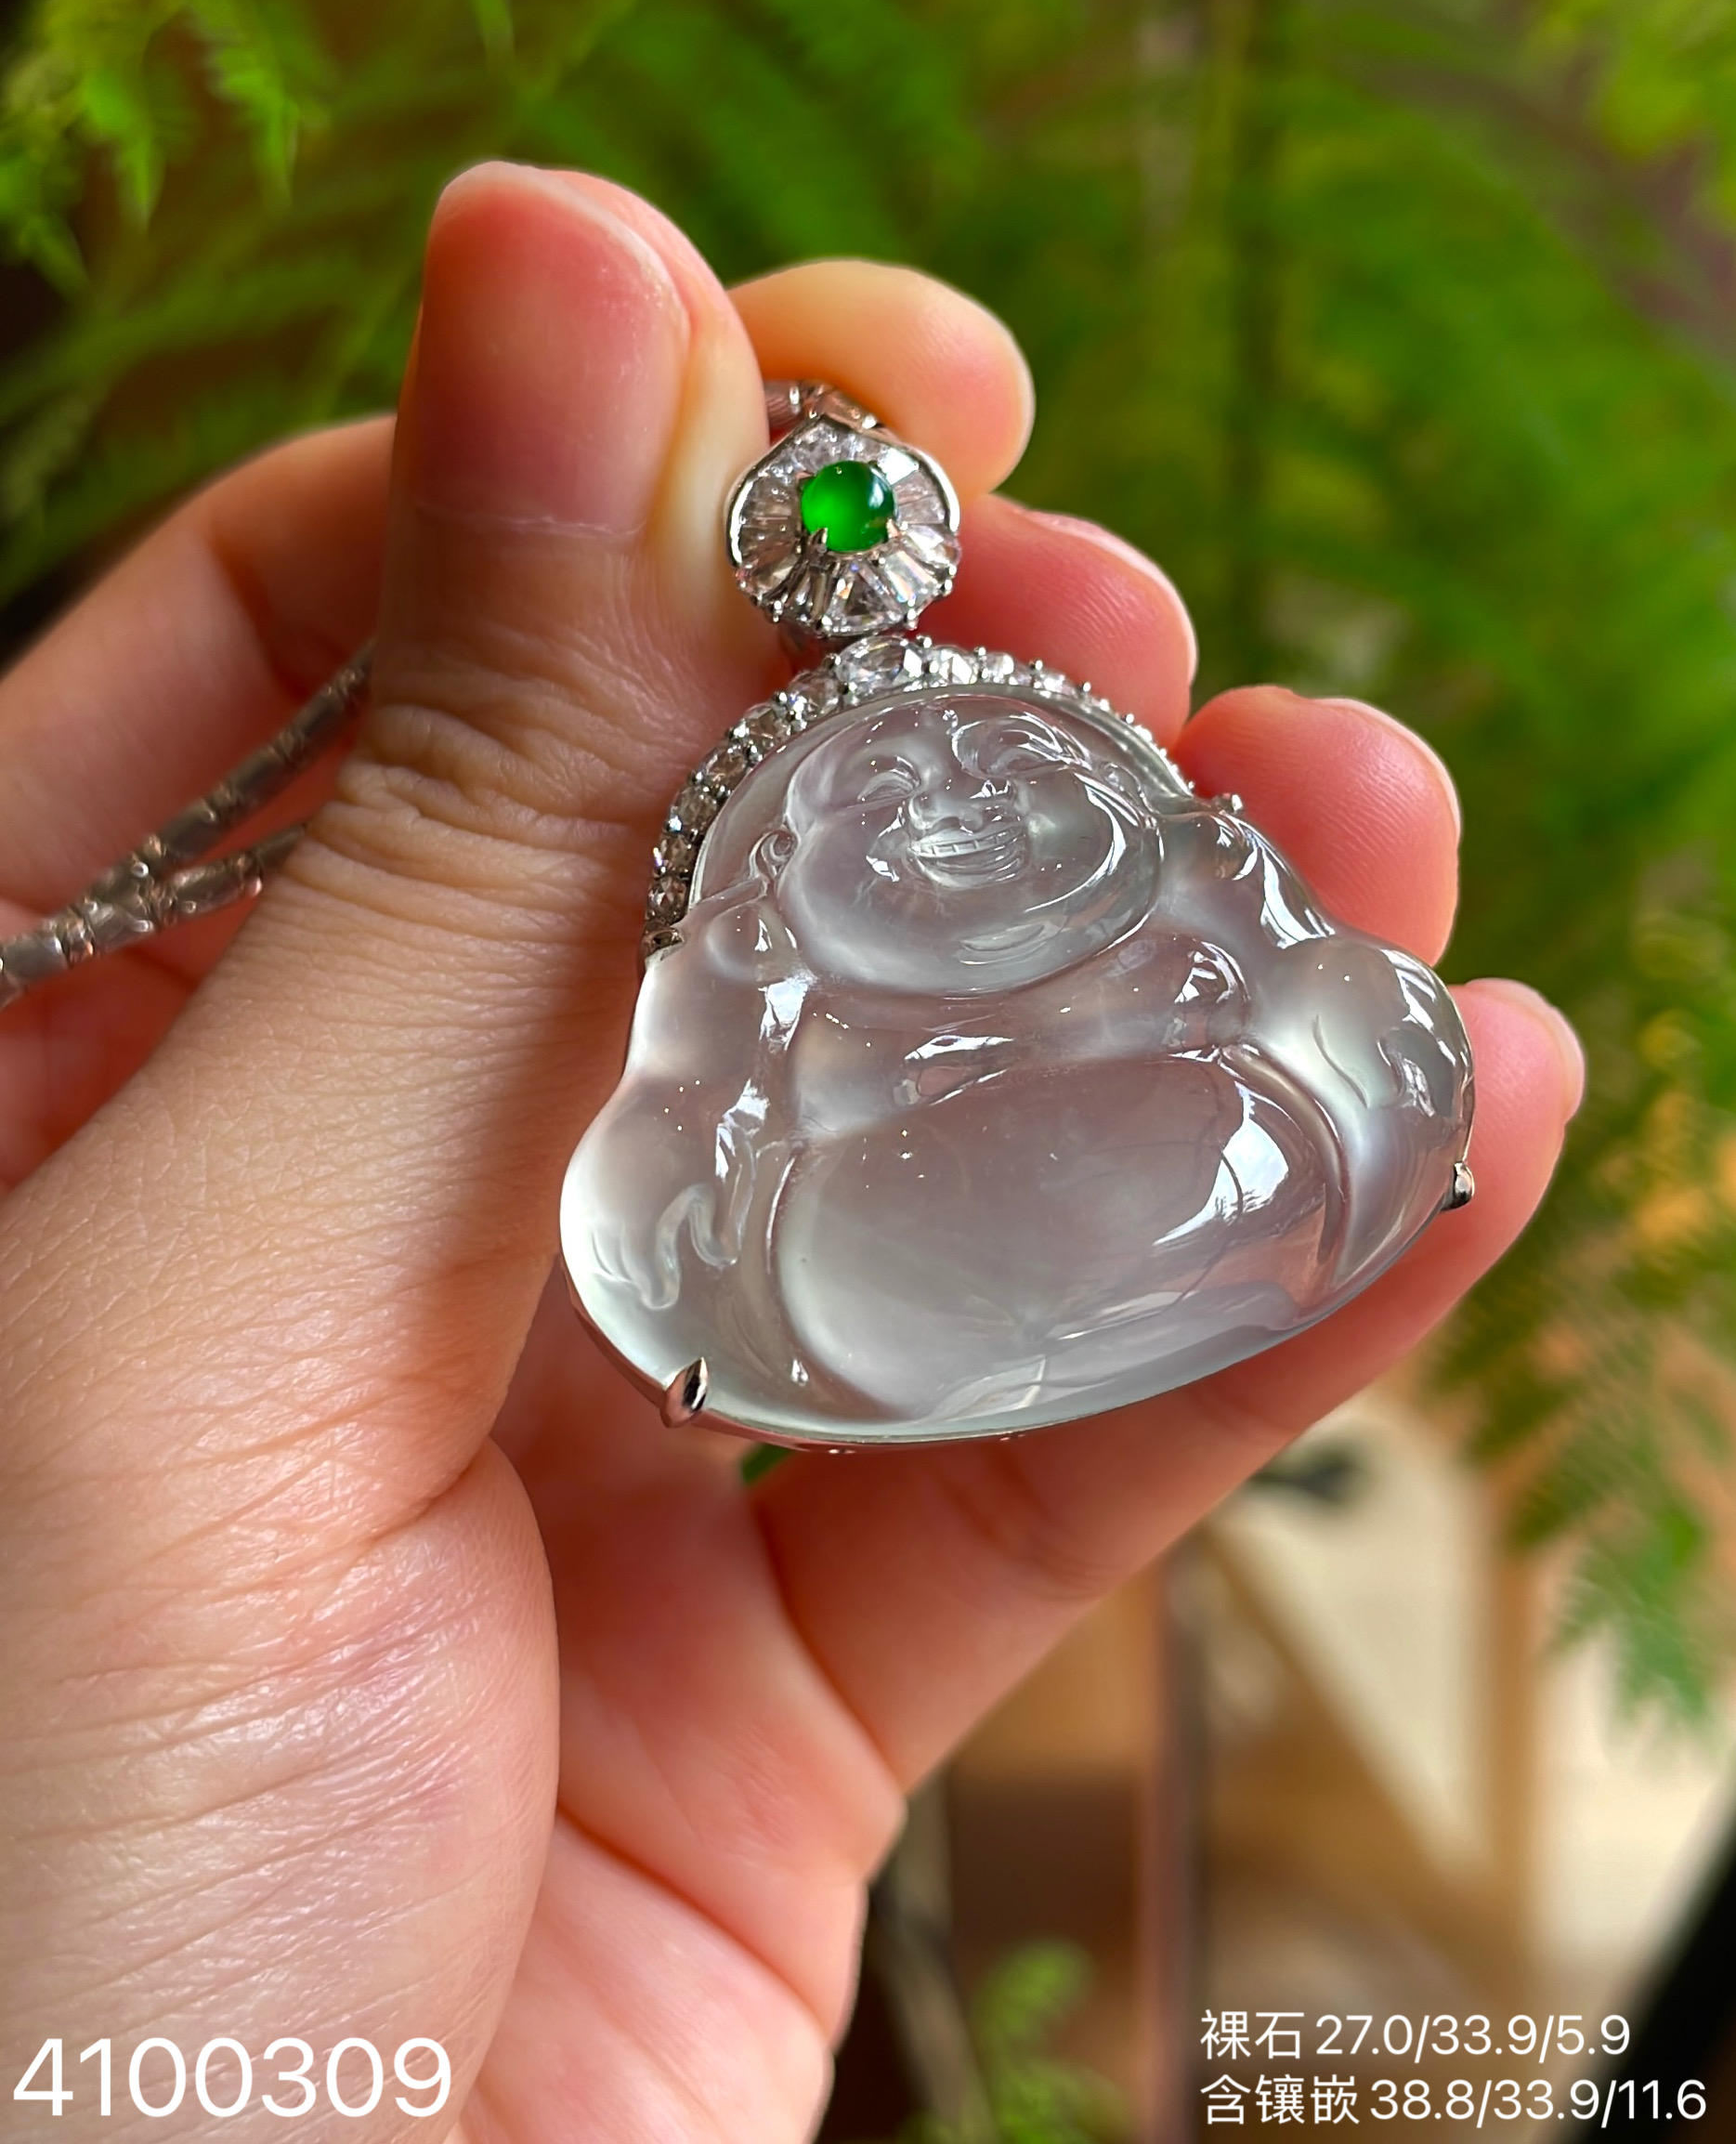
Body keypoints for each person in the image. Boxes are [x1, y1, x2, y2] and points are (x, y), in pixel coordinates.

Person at [0, 164, 1582, 2139]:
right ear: (774, 894)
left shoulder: (1186, 909)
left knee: (1383, 1018)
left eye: (1012, 777)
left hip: (1204, 1155)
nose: (956, 812)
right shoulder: (768, 996)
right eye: (887, 817)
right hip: (911, 1233)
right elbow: (667, 1171)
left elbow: (1305, 969)